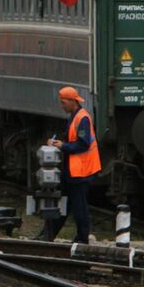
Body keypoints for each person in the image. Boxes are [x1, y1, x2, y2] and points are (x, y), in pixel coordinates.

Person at [41, 87, 101, 244]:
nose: (62, 106)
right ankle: (48, 234)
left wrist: (62, 146)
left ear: (72, 101)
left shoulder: (82, 119)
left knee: (79, 206)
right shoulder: (75, 117)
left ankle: (82, 238)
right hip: (73, 169)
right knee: (65, 204)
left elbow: (82, 144)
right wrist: (58, 143)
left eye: (63, 102)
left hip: (81, 170)